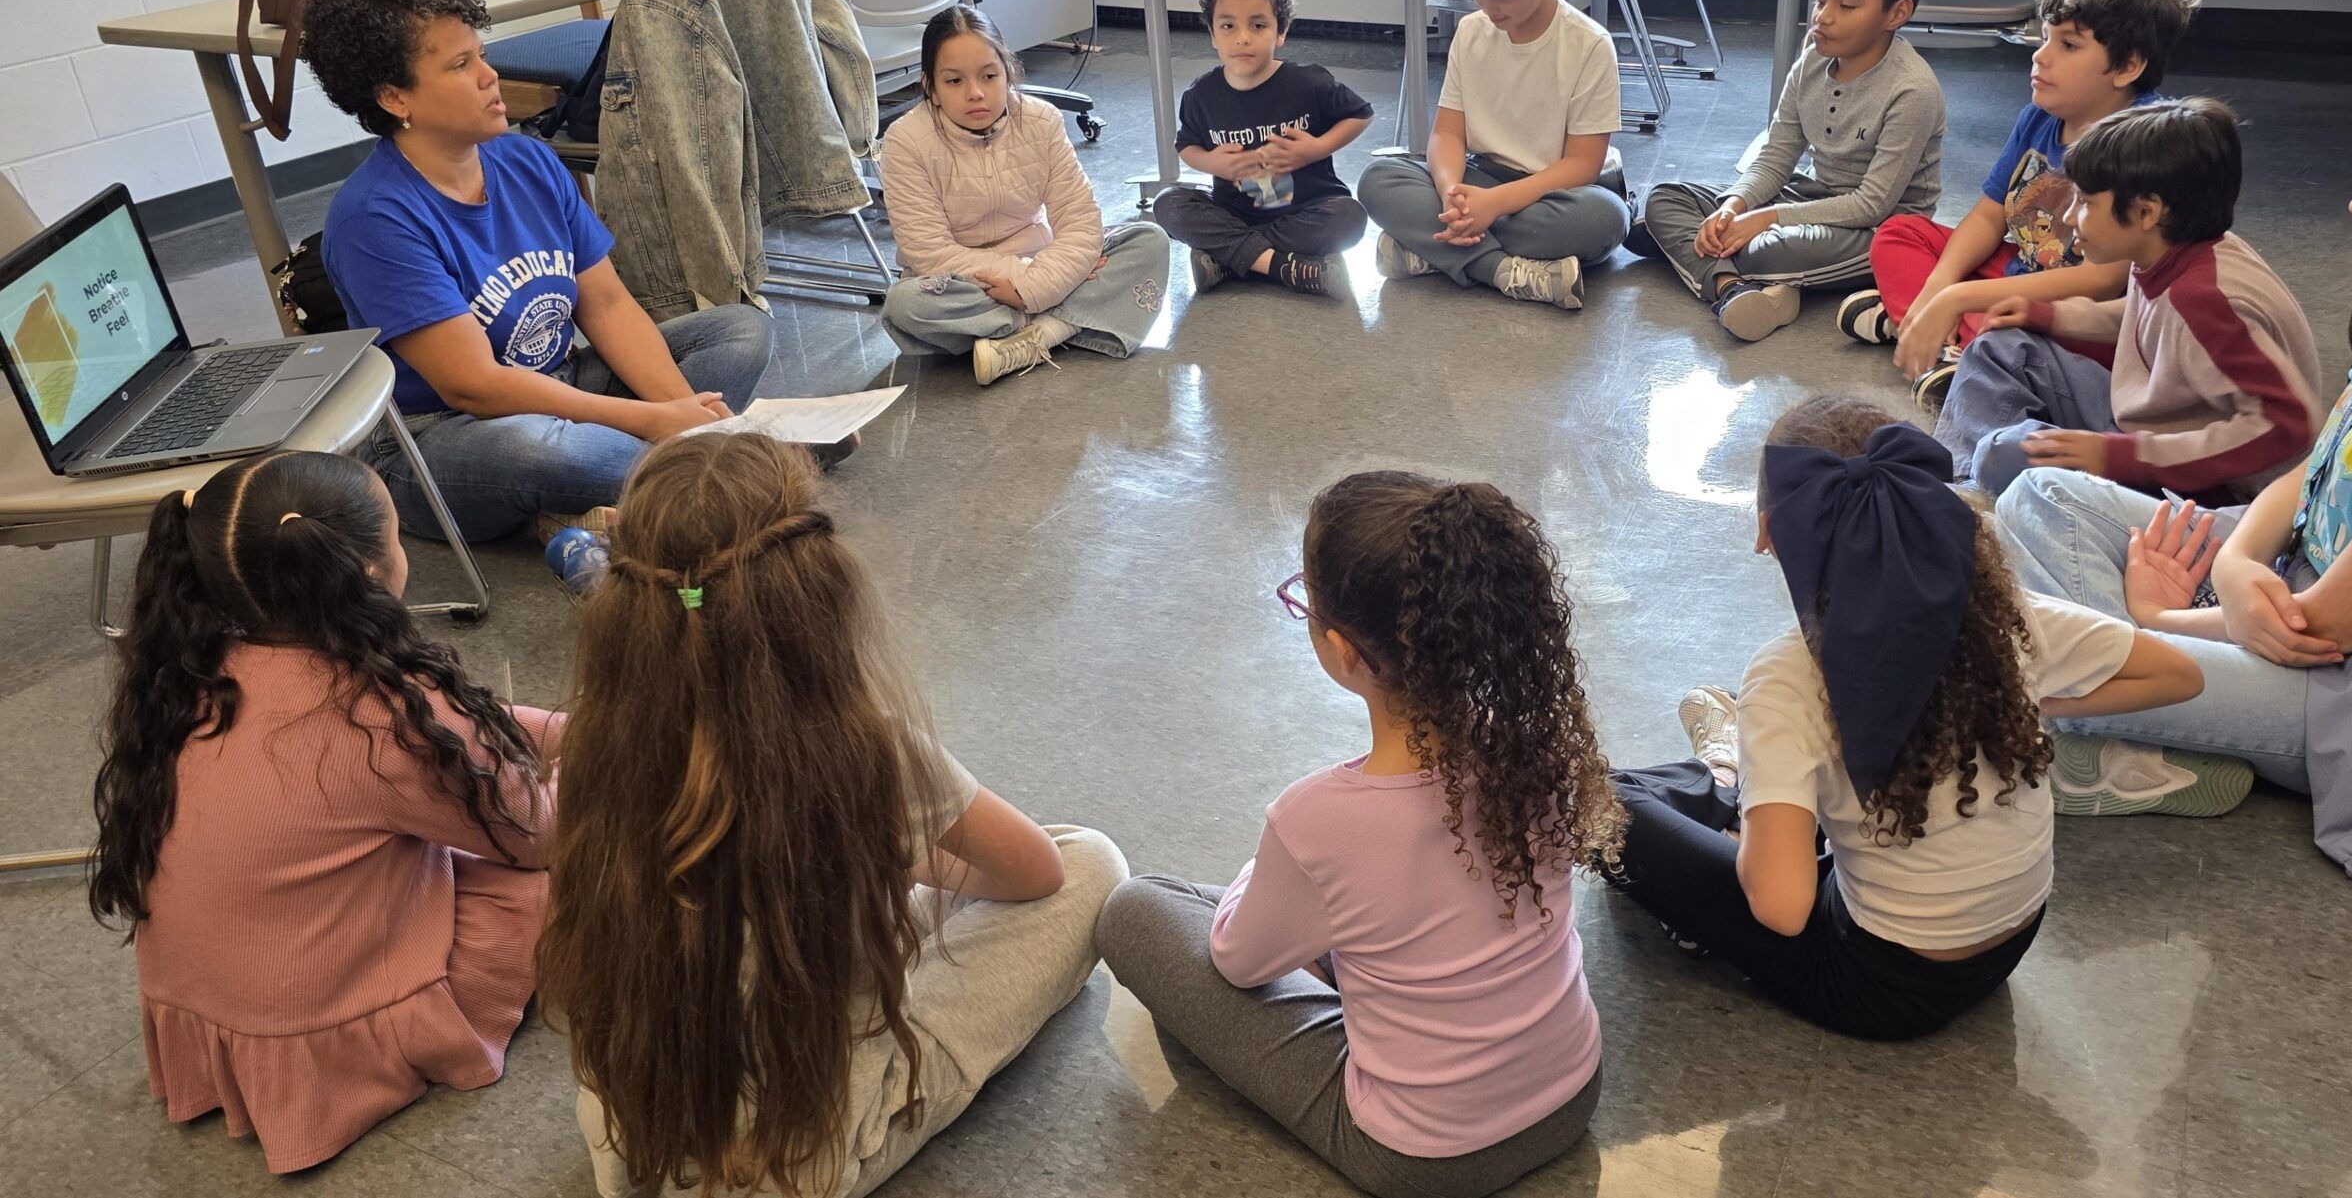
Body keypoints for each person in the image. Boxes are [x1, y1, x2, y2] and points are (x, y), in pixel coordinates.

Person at [1995, 63, 2352, 888]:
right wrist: (2233, 564)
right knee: (2040, 491)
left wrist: (2163, 613)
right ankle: (2132, 724)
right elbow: (2310, 470)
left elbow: (2322, 630)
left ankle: (2130, 728)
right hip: (2286, 574)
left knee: (2032, 650)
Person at [540, 433, 1127, 1197]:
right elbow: (1034, 873)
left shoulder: (594, 737)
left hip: (632, 1139)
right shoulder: (861, 745)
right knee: (1091, 861)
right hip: (792, 1162)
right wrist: (888, 848)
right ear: (818, 587)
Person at [1606, 397, 2203, 1039]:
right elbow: (2178, 674)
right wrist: (2021, 697)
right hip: (2011, 941)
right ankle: (1744, 784)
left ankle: (1730, 780)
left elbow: (1781, 910)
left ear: (1768, 533)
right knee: (1817, 803)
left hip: (1878, 987)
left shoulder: (1787, 678)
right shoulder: (2002, 617)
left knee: (1609, 802)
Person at [1097, 471, 1620, 1197]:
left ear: (1346, 652)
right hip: (1571, 1094)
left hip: (1421, 1158)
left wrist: (1284, 891)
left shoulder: (1316, 817)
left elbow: (1237, 962)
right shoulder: (1535, 752)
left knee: (1137, 907)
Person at [86, 449, 558, 1172]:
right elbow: (536, 837)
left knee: (453, 819)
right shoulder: (388, 714)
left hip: (219, 1010)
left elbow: (466, 727)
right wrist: (610, 755)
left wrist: (558, 730)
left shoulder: (190, 664)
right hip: (329, 1028)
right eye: (398, 535)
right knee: (557, 870)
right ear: (372, 573)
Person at [302, 0, 773, 543]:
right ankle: (728, 474)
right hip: (447, 436)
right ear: (395, 97)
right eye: (460, 65)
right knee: (538, 448)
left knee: (739, 330)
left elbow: (607, 308)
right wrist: (652, 420)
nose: (489, 76)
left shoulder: (526, 159)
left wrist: (683, 421)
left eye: (480, 54)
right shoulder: (375, 217)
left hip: (558, 382)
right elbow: (473, 387)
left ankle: (654, 488)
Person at [1836, 0, 2201, 407]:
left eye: (2068, 45)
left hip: (2084, 311)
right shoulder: (2041, 115)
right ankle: (1931, 329)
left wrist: (1960, 295)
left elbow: (2102, 283)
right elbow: (1990, 214)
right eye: (2044, 38)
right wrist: (1941, 286)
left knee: (2062, 341)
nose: (2040, 55)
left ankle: (1932, 339)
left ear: (2126, 67)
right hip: (2022, 272)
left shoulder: (2144, 140)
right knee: (1899, 233)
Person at [1935, 98, 2322, 502]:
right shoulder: (2172, 251)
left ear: (2145, 213)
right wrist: (2048, 316)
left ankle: (1966, 502)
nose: (2068, 217)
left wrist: (2122, 457)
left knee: (2006, 453)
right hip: (2149, 434)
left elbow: (2288, 426)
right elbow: (2143, 320)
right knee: (2000, 348)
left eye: (2084, 202)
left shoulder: (2204, 299)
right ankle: (1968, 489)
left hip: (2210, 489)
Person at [1632, 0, 1944, 341]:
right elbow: (1778, 154)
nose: (1823, 17)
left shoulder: (1913, 90)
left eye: (1847, 5)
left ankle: (1706, 261)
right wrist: (1734, 206)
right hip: (1808, 196)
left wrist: (1765, 218)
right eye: (1820, 0)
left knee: (1764, 249)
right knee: (1665, 198)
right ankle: (1734, 289)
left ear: (1896, 13)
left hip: (1883, 229)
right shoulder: (1814, 54)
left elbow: (1873, 204)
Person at [1355, 0, 1629, 310]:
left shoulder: (1589, 46)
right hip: (1477, 177)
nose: (1487, 5)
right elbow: (1447, 132)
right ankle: (1505, 272)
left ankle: (1431, 253)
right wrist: (1452, 196)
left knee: (1607, 218)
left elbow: (1582, 165)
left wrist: (1492, 206)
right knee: (1377, 179)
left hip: (1546, 194)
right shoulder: (1471, 31)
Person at [879, 4, 1174, 385]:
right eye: (954, 82)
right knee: (906, 304)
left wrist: (1035, 284)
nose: (975, 93)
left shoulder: (1042, 120)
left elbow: (1080, 220)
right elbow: (929, 251)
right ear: (929, 87)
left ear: (1008, 73)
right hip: (965, 281)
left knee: (1147, 240)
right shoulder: (904, 141)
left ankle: (1033, 337)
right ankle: (1059, 323)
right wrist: (1025, 282)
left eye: (989, 76)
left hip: (1041, 260)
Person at [1155, 0, 1374, 299]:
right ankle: (1286, 267)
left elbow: (1360, 114)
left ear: (1281, 32)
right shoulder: (1202, 95)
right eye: (1228, 26)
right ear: (1213, 34)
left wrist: (1315, 149)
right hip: (1235, 213)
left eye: (1258, 26)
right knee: (1168, 204)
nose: (1242, 37)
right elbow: (1187, 146)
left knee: (1349, 217)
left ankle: (1231, 260)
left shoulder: (1309, 83)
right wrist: (1214, 163)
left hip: (1306, 210)